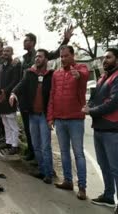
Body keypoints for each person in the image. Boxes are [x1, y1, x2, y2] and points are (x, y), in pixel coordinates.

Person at [19, 27, 73, 161]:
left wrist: (65, 39)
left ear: (32, 42)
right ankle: (32, 152)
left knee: (41, 137)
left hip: (39, 100)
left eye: (26, 41)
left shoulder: (40, 55)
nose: (24, 43)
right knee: (28, 128)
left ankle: (44, 164)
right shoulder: (23, 58)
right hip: (26, 99)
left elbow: (55, 53)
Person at [47, 45, 89, 200]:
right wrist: (50, 117)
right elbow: (52, 95)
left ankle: (82, 186)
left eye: (66, 56)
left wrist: (78, 75)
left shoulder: (81, 68)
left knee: (78, 153)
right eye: (61, 57)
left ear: (73, 55)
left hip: (76, 119)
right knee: (64, 152)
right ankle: (68, 181)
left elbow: (84, 74)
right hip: (59, 119)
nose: (63, 59)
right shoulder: (56, 74)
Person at [82, 48, 118, 212]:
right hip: (99, 128)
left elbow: (112, 103)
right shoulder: (104, 77)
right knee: (104, 165)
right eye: (104, 58)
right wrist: (90, 105)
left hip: (112, 129)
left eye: (109, 57)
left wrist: (92, 111)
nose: (105, 60)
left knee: (115, 167)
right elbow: (98, 99)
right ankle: (109, 196)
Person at [10, 49, 54, 183]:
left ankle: (49, 173)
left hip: (44, 116)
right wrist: (13, 93)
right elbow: (21, 85)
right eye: (36, 57)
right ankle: (42, 170)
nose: (37, 59)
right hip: (33, 115)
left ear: (46, 59)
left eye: (40, 56)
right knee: (35, 145)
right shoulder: (30, 74)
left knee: (46, 146)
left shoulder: (52, 75)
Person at [0, 46, 21, 154]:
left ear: (12, 53)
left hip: (10, 96)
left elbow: (15, 81)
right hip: (1, 97)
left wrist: (5, 91)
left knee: (12, 122)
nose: (5, 53)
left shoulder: (15, 65)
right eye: (4, 51)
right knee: (5, 121)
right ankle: (8, 142)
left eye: (8, 51)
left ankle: (15, 145)